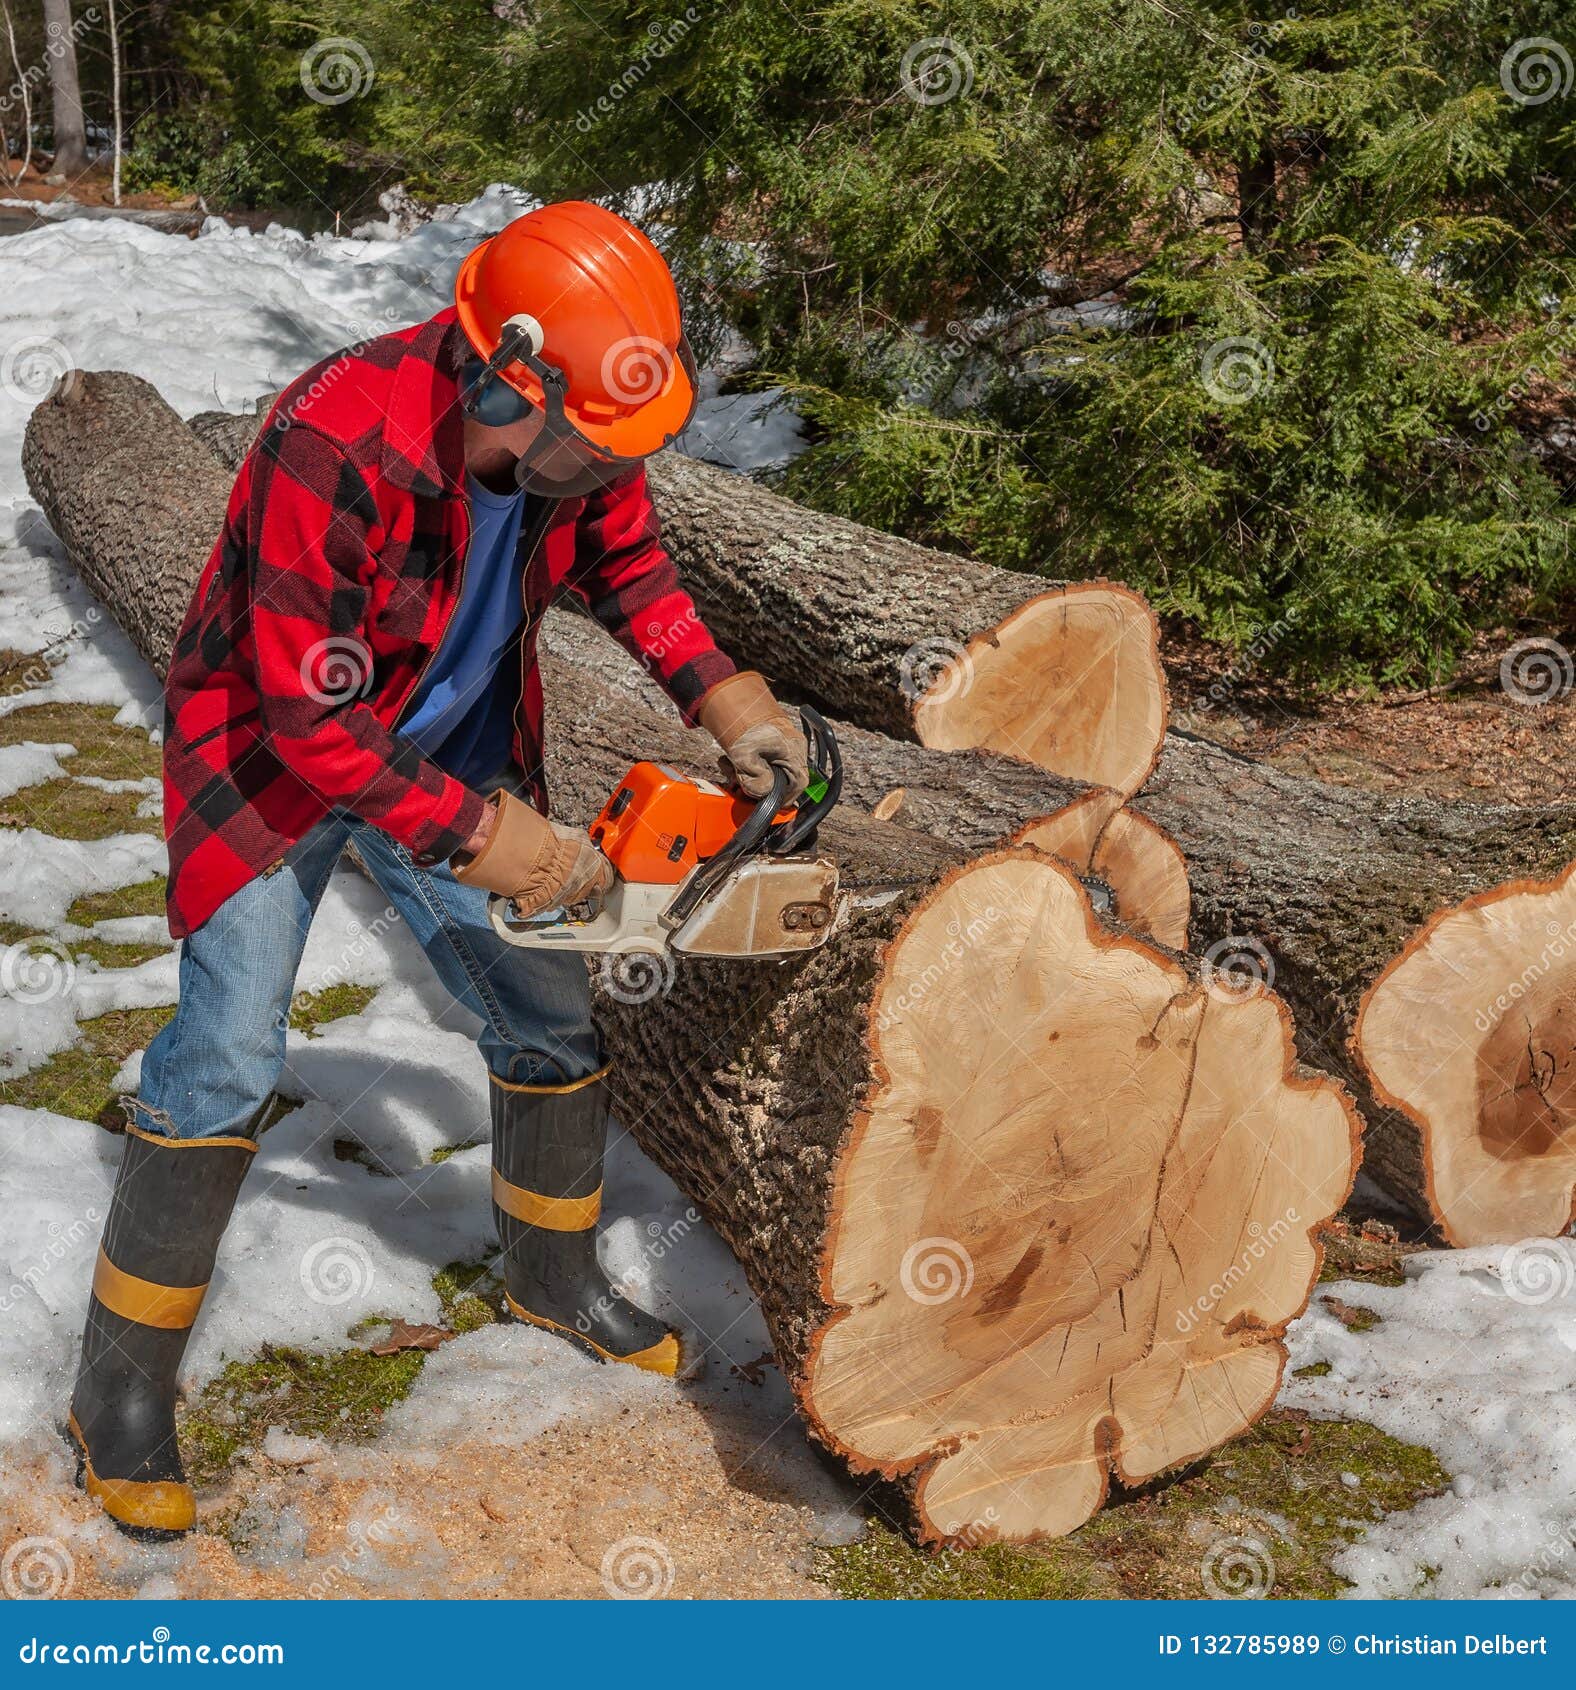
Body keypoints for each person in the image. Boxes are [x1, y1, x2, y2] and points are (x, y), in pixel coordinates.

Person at [66, 201, 809, 1539]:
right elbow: (311, 720)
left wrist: (733, 701)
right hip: (268, 758)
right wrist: (499, 838)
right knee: (232, 1052)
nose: (601, 470)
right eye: (587, 442)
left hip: (453, 746)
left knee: (546, 1012)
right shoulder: (332, 438)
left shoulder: (578, 440)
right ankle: (118, 1389)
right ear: (503, 379)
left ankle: (554, 1279)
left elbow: (634, 569)